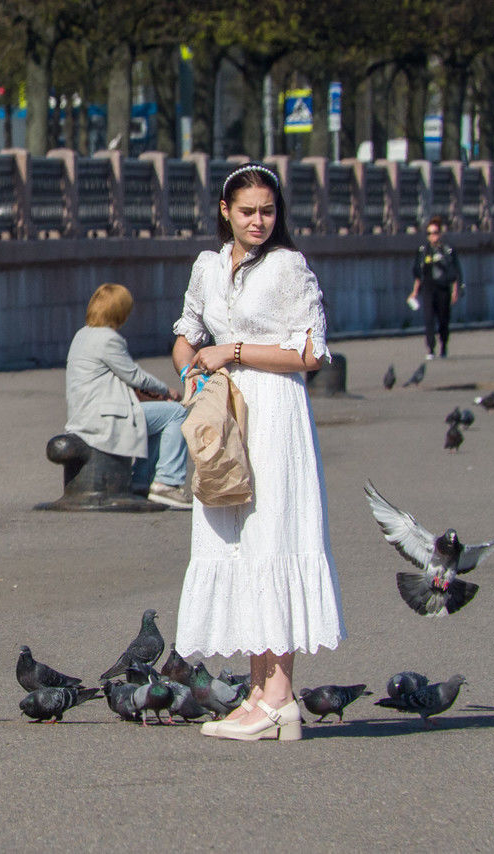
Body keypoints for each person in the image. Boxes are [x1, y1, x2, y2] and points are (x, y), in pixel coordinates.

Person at [171, 163, 344, 742]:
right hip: (226, 415)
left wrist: (234, 351)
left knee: (274, 537)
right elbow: (186, 335)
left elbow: (313, 352)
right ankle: (257, 693)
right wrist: (192, 371)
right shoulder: (207, 265)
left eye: (268, 211)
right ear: (225, 210)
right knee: (239, 541)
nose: (258, 221)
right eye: (247, 211)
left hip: (275, 414)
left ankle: (279, 696)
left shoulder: (288, 266)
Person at [64, 283, 191, 509]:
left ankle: (142, 480)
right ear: (120, 311)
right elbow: (135, 377)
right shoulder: (108, 339)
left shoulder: (82, 335)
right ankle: (166, 483)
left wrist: (157, 397)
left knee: (160, 417)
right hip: (105, 418)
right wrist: (166, 391)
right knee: (177, 413)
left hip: (86, 414)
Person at [408, 215, 462, 359]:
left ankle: (444, 345)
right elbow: (419, 273)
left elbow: (455, 272)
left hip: (443, 288)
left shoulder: (447, 250)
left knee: (443, 319)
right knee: (428, 318)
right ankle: (430, 348)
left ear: (440, 233)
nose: (433, 236)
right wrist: (414, 292)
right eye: (430, 233)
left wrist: (455, 290)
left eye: (435, 232)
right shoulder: (423, 251)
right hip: (428, 288)